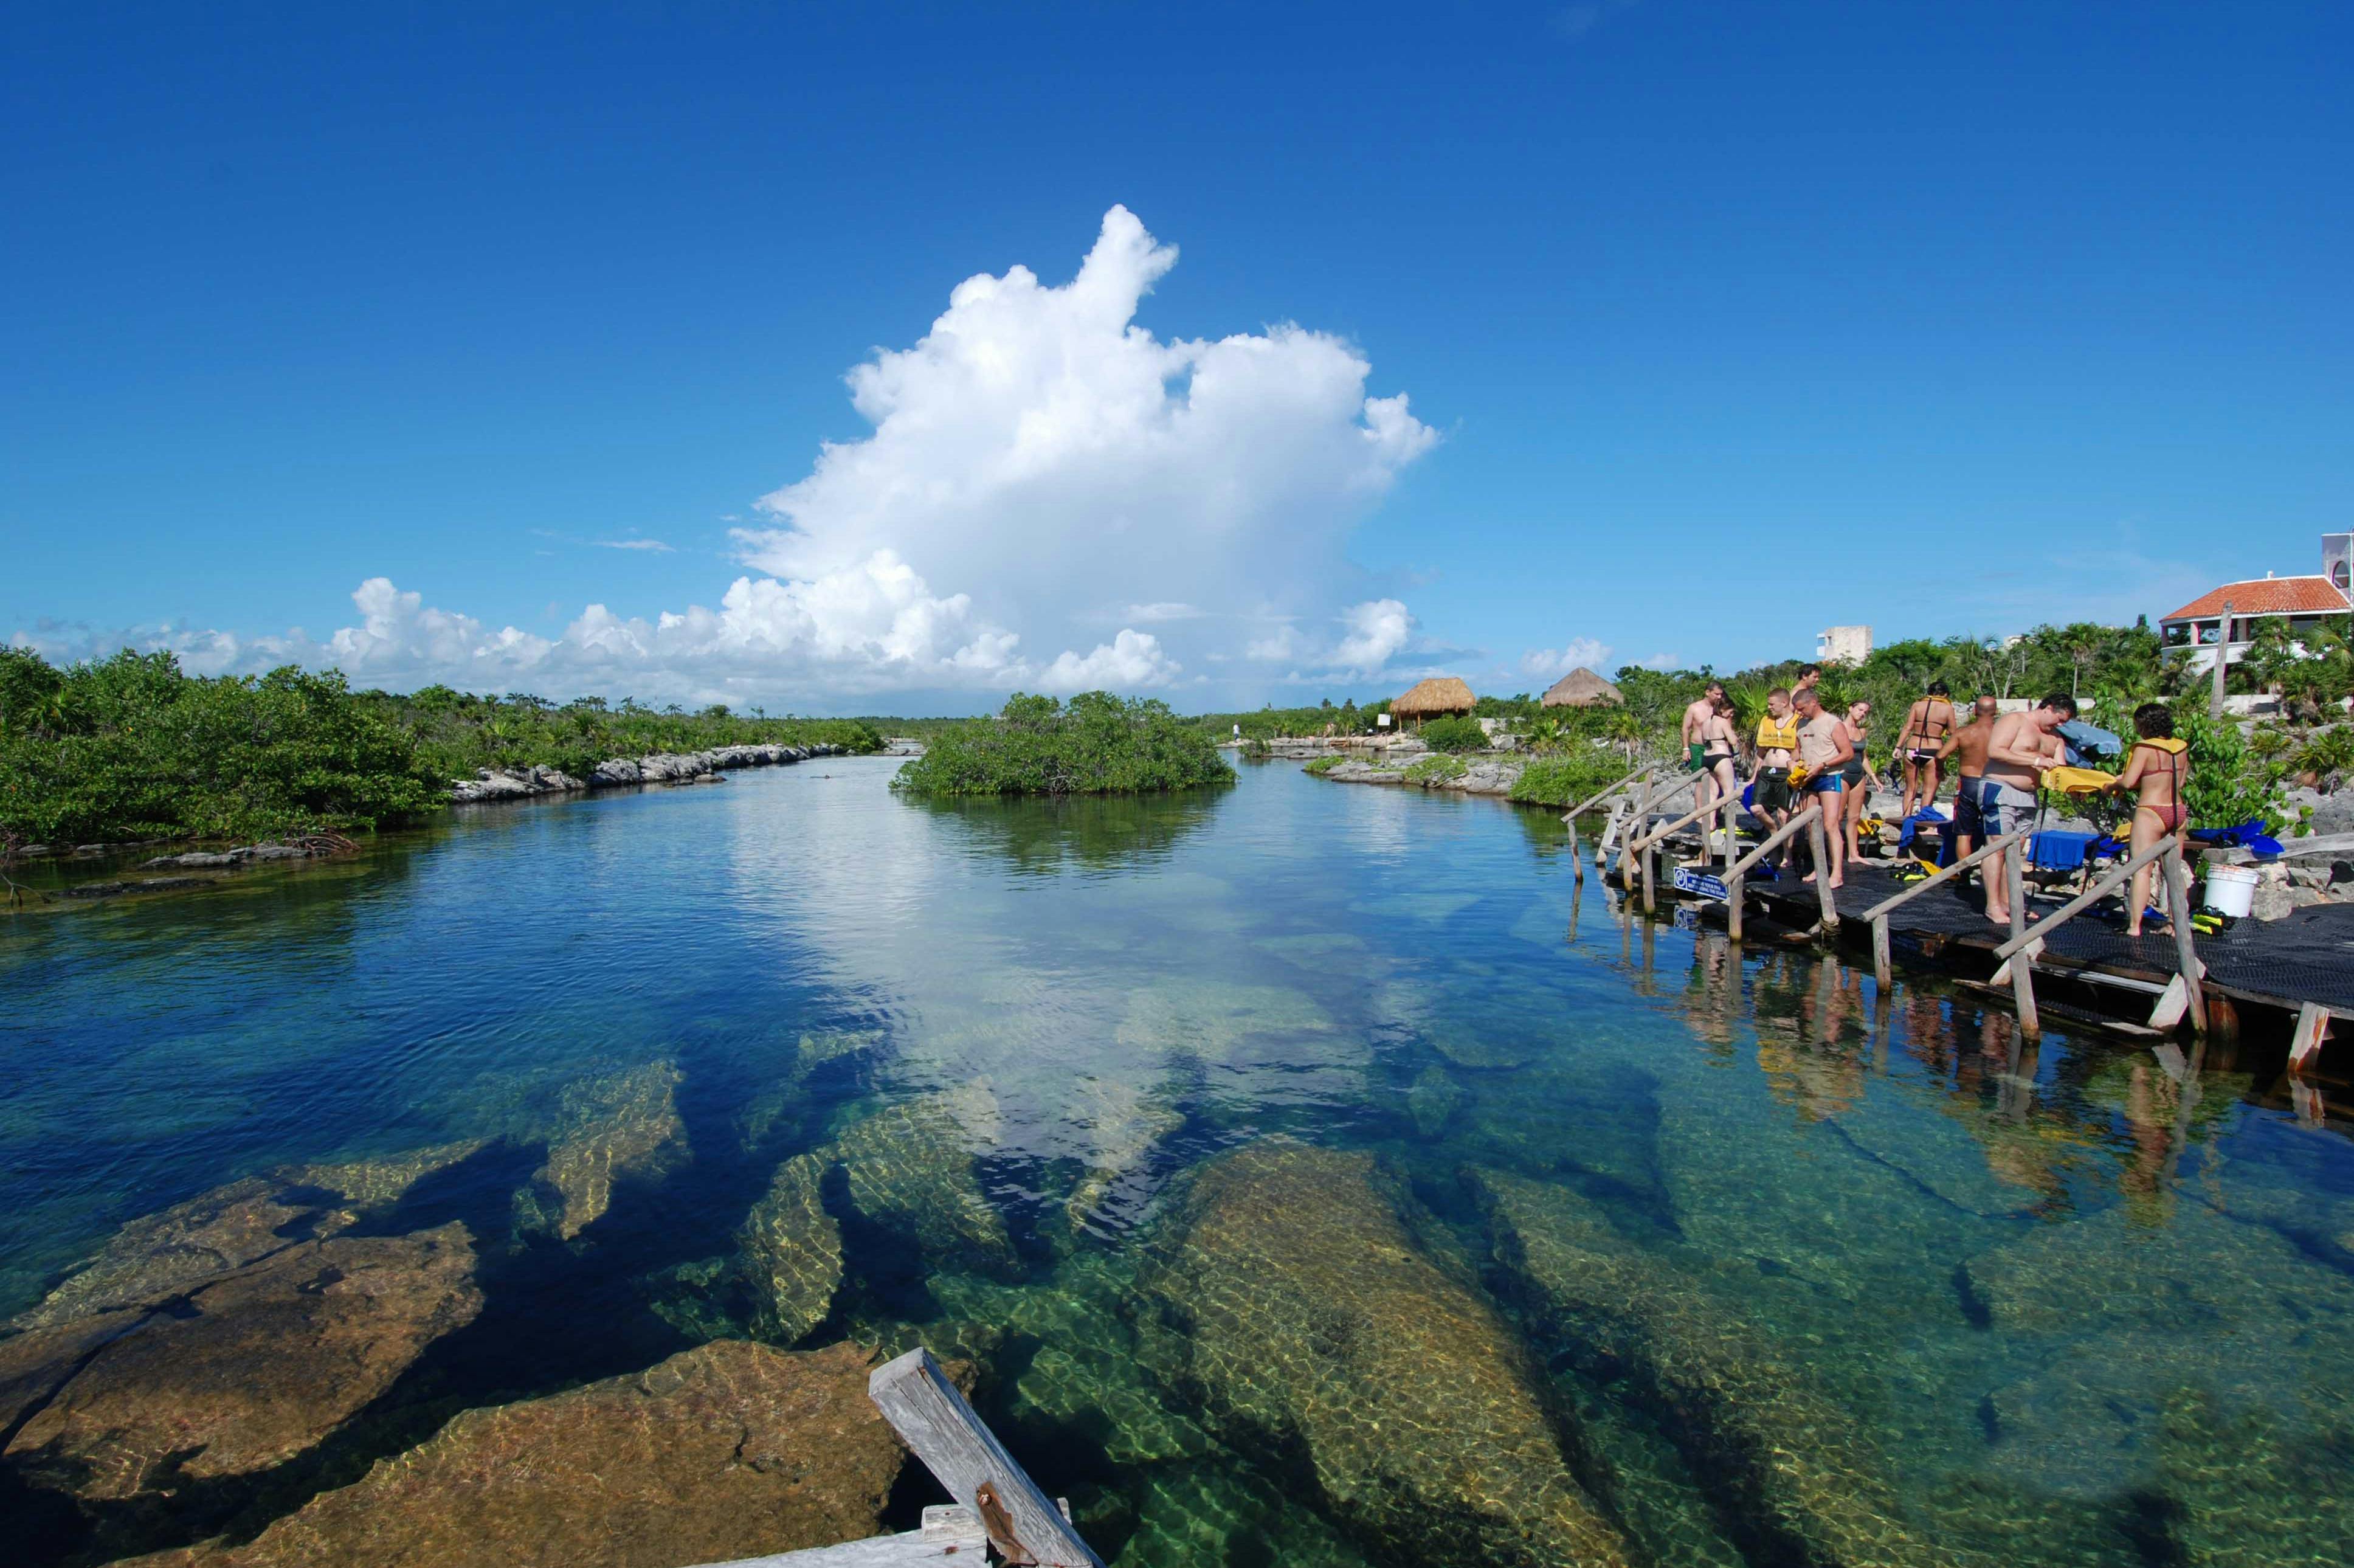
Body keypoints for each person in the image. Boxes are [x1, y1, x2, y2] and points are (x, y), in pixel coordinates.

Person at [1979, 694, 2078, 927]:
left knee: (2015, 851)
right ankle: (1992, 906)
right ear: (2049, 708)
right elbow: (1995, 751)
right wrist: (2035, 760)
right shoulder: (2015, 721)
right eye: (2059, 719)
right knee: (1998, 846)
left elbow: (2061, 771)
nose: (2060, 725)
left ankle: (2009, 903)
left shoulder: (2056, 739)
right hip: (2001, 788)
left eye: (2064, 723)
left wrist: (2081, 786)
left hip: (2028, 797)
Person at [2107, 703, 2192, 938]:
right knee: (2173, 870)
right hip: (2178, 811)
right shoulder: (2181, 748)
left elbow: (2128, 782)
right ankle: (2176, 925)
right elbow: (2181, 782)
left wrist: (2112, 785)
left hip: (2151, 811)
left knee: (2142, 870)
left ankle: (2134, 927)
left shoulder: (2144, 748)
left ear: (2143, 725)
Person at [1791, 687, 1855, 888]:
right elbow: (1797, 752)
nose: (1799, 713)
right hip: (1808, 779)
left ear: (1813, 703)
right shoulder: (1801, 725)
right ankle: (1819, 868)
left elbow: (1848, 753)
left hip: (1828, 777)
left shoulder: (1832, 723)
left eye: (1801, 708)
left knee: (1831, 825)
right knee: (1811, 826)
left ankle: (1837, 873)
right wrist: (1792, 764)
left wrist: (1823, 765)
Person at [1938, 695, 2001, 862]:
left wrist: (1941, 770)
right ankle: (1992, 873)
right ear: (1995, 712)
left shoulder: (1964, 733)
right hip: (1994, 784)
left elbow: (1941, 755)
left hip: (1969, 783)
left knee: (1964, 833)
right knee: (1994, 833)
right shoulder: (2002, 735)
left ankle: (1964, 875)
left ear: (1975, 711)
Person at [1894, 680, 1958, 819]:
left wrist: (1898, 747)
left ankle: (1906, 819)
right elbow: (1953, 731)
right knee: (1929, 791)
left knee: (1910, 788)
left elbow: (1908, 728)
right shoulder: (1948, 709)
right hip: (1933, 751)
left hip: (1912, 748)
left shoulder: (1917, 705)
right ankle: (1924, 822)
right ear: (1945, 695)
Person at [1751, 688, 1799, 849]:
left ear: (1784, 703)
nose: (1769, 707)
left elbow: (1801, 749)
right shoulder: (1766, 721)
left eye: (1772, 704)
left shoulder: (1798, 721)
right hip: (1766, 770)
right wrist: (1754, 775)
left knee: (1783, 815)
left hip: (1785, 772)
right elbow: (1761, 751)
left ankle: (1787, 854)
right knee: (1756, 809)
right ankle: (1774, 833)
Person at [1697, 695, 1741, 844]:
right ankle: (1730, 825)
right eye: (1730, 712)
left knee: (1711, 793)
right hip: (1721, 757)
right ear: (1723, 709)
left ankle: (1710, 824)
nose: (1732, 715)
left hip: (1707, 757)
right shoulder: (1722, 722)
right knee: (1729, 793)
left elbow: (1703, 740)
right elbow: (1733, 741)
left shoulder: (1705, 722)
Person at [1837, 699, 1875, 865]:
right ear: (1850, 708)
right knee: (1837, 817)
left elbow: (1863, 758)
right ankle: (1835, 853)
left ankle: (1854, 853)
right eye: (1860, 710)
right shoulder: (1839, 728)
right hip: (1842, 773)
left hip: (1858, 775)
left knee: (1854, 817)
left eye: (1865, 712)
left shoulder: (1862, 732)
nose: (1862, 714)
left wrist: (1873, 777)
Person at [1681, 680, 1727, 811]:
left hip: (1716, 748)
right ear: (1708, 692)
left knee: (1717, 780)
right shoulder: (1694, 708)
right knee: (1701, 781)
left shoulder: (1721, 708)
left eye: (1721, 694)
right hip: (1698, 747)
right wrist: (1686, 748)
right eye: (1716, 694)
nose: (1719, 697)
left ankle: (1715, 813)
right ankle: (1700, 813)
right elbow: (1685, 728)